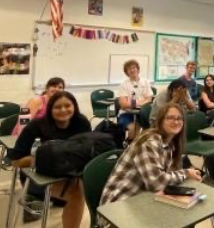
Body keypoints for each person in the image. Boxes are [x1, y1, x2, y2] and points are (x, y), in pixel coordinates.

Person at [9, 91, 92, 228]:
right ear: (50, 109)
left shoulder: (81, 122)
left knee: (89, 186)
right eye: (57, 107)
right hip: (37, 176)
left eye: (67, 105)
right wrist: (39, 159)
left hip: (69, 173)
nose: (63, 110)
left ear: (75, 107)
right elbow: (15, 161)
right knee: (77, 193)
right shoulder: (36, 126)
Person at [100, 103, 202, 205]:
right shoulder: (149, 142)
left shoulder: (170, 143)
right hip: (118, 205)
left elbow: (168, 175)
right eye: (170, 118)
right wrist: (186, 173)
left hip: (143, 198)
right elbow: (156, 183)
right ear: (160, 121)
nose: (176, 122)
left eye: (179, 118)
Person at [118, 60, 153, 142]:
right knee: (133, 129)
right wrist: (139, 103)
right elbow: (123, 104)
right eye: (129, 69)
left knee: (148, 130)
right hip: (126, 114)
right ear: (126, 72)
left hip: (142, 113)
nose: (132, 70)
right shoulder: (123, 84)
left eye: (134, 68)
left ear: (138, 69)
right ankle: (128, 146)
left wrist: (132, 103)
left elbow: (149, 99)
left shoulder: (145, 82)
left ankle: (137, 147)